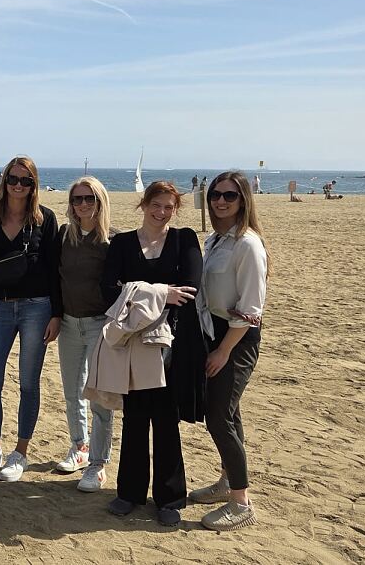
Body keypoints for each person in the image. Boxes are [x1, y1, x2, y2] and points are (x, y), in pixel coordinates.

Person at [100, 180, 205, 527]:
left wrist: (139, 295)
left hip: (171, 342)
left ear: (176, 210)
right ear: (143, 205)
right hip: (132, 341)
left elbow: (190, 288)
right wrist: (160, 292)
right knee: (133, 417)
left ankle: (169, 497)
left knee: (165, 419)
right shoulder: (123, 243)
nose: (161, 213)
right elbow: (107, 289)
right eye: (155, 205)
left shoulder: (183, 239)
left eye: (168, 207)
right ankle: (129, 493)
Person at [0, 156, 62, 482]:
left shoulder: (45, 220)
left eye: (26, 181)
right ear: (3, 180)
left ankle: (20, 452)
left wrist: (57, 314)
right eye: (13, 179)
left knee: (27, 383)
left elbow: (54, 270)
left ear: (33, 185)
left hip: (37, 307)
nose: (19, 186)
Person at [190, 171, 269, 531]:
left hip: (237, 338)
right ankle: (227, 481)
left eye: (230, 196)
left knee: (218, 414)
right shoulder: (215, 239)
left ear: (243, 200)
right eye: (215, 195)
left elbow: (252, 309)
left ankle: (241, 501)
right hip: (215, 331)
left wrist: (223, 351)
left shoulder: (247, 245)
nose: (220, 201)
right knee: (228, 412)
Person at [55, 176, 117, 492]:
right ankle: (79, 447)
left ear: (100, 201)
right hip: (68, 324)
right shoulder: (65, 236)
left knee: (100, 399)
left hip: (99, 326)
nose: (82, 205)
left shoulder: (112, 242)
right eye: (77, 199)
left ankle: (97, 464)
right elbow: (54, 280)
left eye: (88, 198)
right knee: (72, 392)